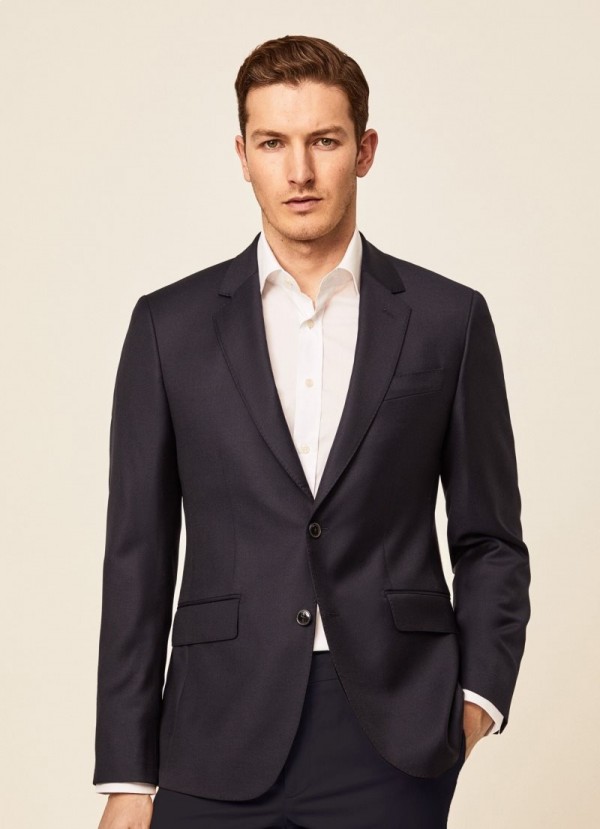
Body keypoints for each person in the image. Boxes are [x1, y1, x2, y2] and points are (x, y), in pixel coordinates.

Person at [93, 34, 531, 829]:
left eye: (323, 141)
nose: (298, 171)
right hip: (214, 727)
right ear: (242, 155)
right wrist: (127, 772)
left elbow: (490, 537)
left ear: (364, 151)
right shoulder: (169, 327)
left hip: (392, 729)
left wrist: (477, 699)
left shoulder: (448, 320)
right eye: (273, 143)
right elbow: (138, 556)